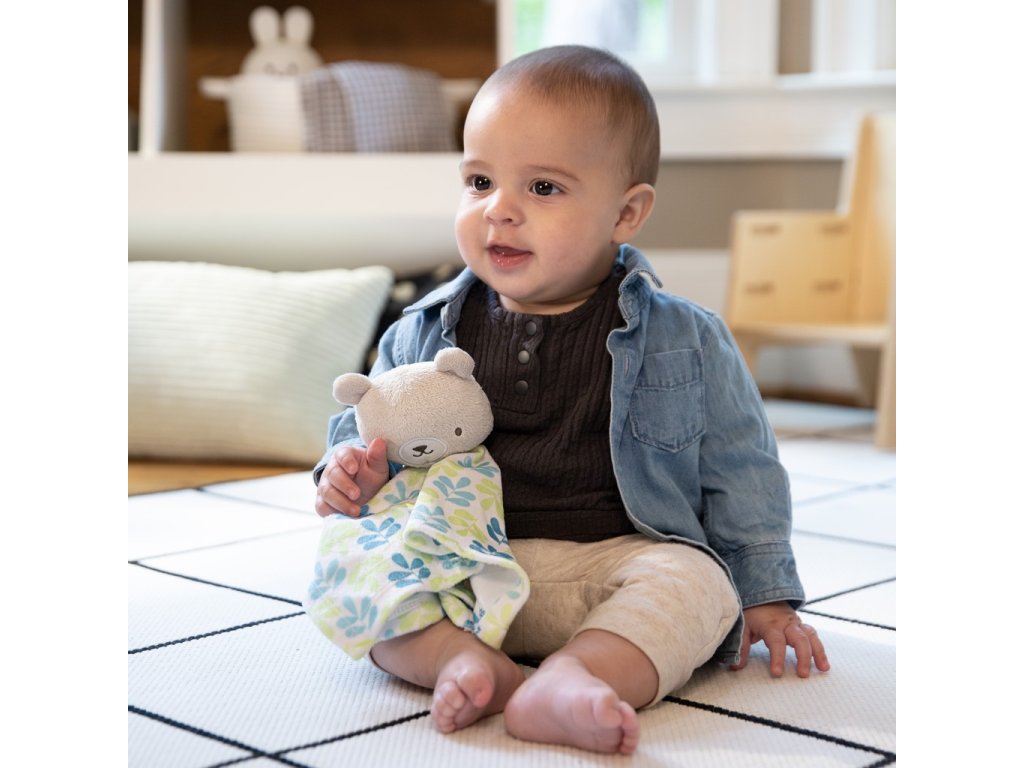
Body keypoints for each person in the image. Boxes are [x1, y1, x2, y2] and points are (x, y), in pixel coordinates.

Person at [313, 44, 829, 756]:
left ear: (626, 212)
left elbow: (741, 469)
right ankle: (460, 662)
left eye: (543, 188)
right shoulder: (423, 330)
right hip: (461, 568)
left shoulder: (685, 338)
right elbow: (362, 432)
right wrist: (352, 473)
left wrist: (765, 594)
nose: (500, 210)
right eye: (480, 181)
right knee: (351, 567)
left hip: (608, 570)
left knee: (702, 584)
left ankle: (576, 676)